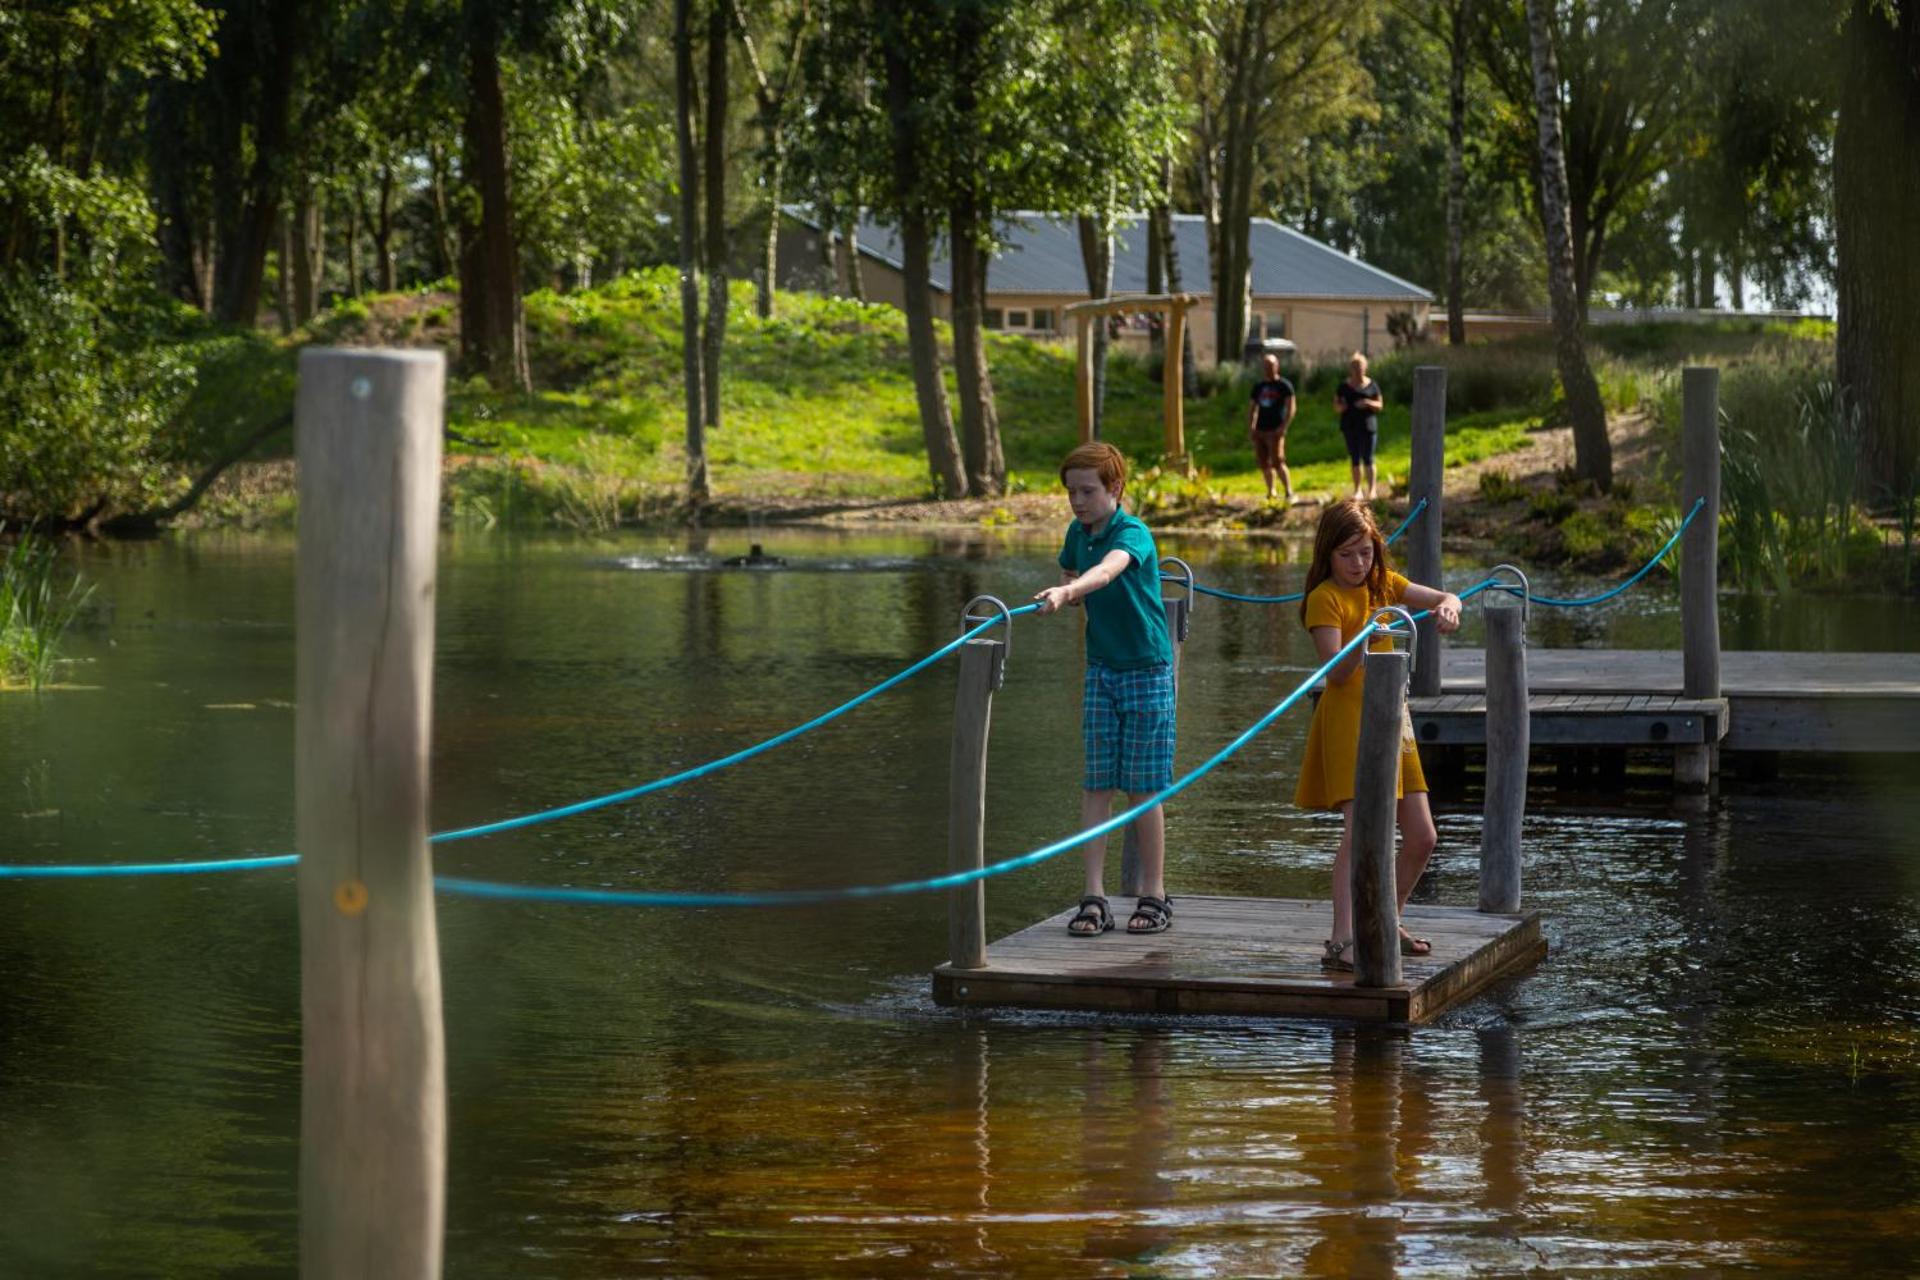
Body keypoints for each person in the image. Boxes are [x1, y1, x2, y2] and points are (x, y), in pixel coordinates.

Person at [1293, 498, 1461, 972]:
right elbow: (1336, 672)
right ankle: (1342, 938)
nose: (1357, 564)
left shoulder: (1383, 585)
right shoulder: (1325, 598)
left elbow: (1444, 598)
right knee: (1360, 833)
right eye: (1346, 554)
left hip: (1393, 721)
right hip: (1349, 722)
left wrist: (1450, 607)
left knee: (1423, 836)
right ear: (1328, 554)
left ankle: (1387, 920)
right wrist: (1366, 633)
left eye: (1365, 552)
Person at [1034, 441, 1177, 938]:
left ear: (1115, 488)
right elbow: (1072, 566)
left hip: (1147, 670)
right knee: (1097, 784)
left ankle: (1154, 893)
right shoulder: (1078, 532)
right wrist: (1067, 585)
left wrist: (1071, 590)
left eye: (1087, 491)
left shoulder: (1132, 532)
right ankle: (1093, 895)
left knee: (1142, 787)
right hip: (1101, 670)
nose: (1077, 501)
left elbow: (1109, 569)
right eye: (1071, 492)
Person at [1333, 352, 1385, 499]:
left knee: (1368, 458)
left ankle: (1372, 490)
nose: (1357, 370)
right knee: (1354, 458)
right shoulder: (1344, 386)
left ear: (1365, 367)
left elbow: (1380, 405)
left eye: (1360, 367)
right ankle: (1357, 490)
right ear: (1351, 369)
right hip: (1349, 426)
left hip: (1368, 426)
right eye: (1354, 367)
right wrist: (1341, 407)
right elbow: (1336, 405)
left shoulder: (1372, 385)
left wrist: (1367, 403)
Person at [1246, 352, 1295, 502]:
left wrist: (1283, 427)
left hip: (1275, 430)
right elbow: (1252, 408)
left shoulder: (1284, 386)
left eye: (1271, 365)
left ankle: (1288, 491)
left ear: (1277, 366)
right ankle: (1271, 491)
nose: (1268, 368)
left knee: (1278, 461)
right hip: (1260, 430)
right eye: (1266, 366)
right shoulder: (1258, 387)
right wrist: (1251, 427)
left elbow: (1291, 408)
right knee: (1264, 463)